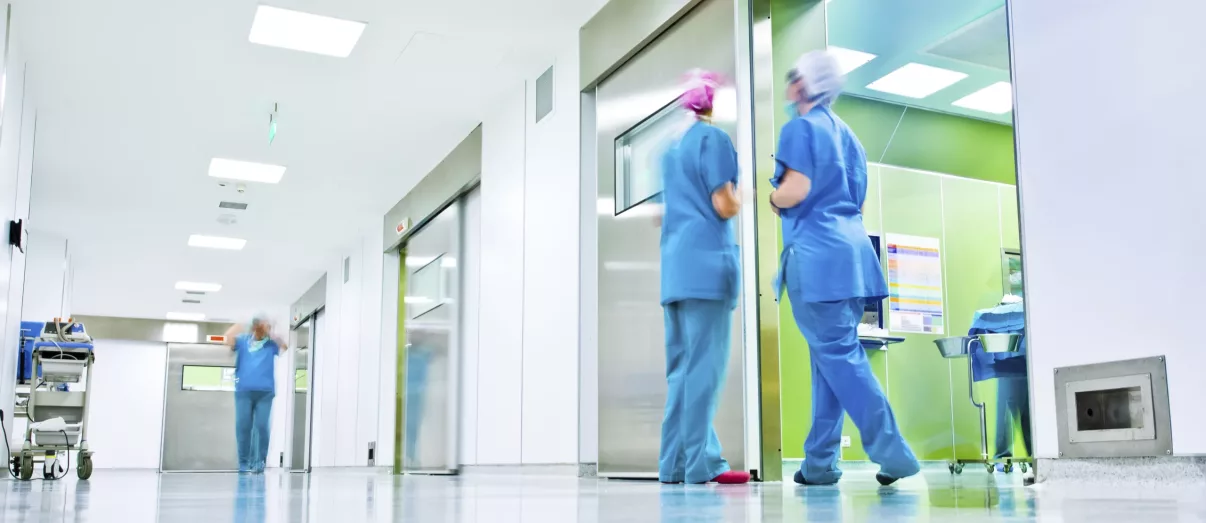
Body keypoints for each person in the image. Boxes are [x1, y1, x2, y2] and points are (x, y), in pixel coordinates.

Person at [769, 51, 920, 486]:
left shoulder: (799, 127)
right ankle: (819, 463)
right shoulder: (849, 135)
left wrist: (773, 197)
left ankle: (894, 454)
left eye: (791, 79)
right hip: (853, 259)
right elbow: (856, 200)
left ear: (803, 86)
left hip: (818, 262)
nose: (787, 87)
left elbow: (795, 190)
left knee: (841, 360)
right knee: (830, 363)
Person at [657, 70, 749, 485]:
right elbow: (724, 203)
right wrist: (748, 195)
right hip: (707, 269)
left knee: (681, 370)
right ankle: (698, 465)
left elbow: (662, 215)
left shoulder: (670, 150)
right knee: (704, 371)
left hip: (676, 271)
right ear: (713, 102)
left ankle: (674, 464)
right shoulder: (713, 140)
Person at [223, 315, 287, 473]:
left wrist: (273, 331)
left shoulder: (271, 344)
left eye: (266, 326)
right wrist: (241, 324)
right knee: (243, 426)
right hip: (244, 391)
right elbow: (228, 338)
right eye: (261, 326)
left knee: (262, 426)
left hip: (265, 392)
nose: (263, 329)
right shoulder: (244, 341)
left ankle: (259, 462)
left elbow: (285, 346)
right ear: (254, 327)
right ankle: (244, 463)